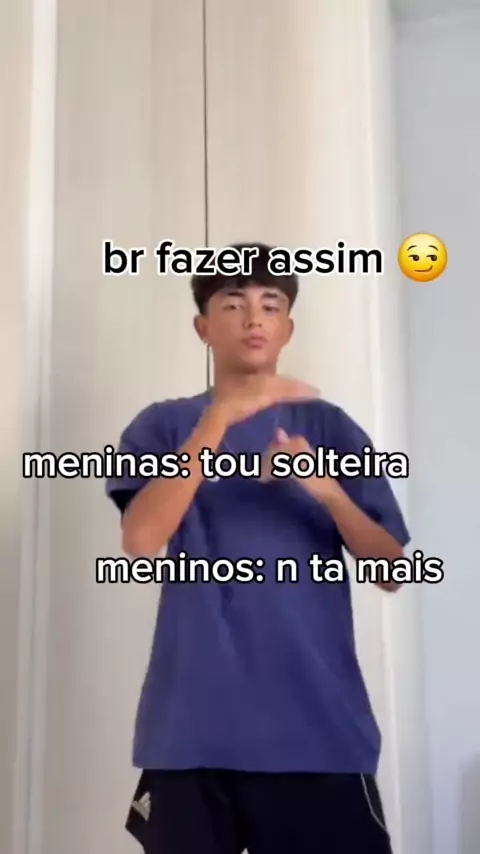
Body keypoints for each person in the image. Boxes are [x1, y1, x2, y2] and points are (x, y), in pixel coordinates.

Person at [105, 242, 410, 854]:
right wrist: (217, 422)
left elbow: (392, 568)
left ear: (287, 328)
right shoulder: (162, 426)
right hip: (191, 734)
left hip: (318, 732)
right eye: (233, 303)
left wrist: (328, 490)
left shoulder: (330, 427)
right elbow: (140, 542)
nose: (252, 318)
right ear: (203, 327)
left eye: (270, 305)